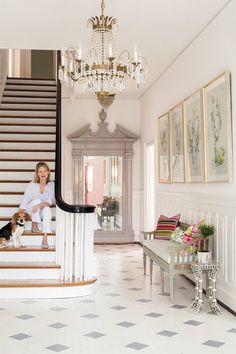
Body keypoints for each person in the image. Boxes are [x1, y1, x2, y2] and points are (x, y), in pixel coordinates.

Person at [19, 161, 55, 249]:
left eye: (45, 171)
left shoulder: (51, 185)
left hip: (40, 209)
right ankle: (34, 223)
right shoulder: (32, 184)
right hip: (31, 209)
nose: (43, 173)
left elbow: (49, 201)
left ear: (48, 172)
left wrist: (39, 206)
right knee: (37, 200)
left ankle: (45, 237)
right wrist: (21, 212)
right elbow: (25, 199)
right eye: (40, 171)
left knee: (47, 209)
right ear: (37, 173)